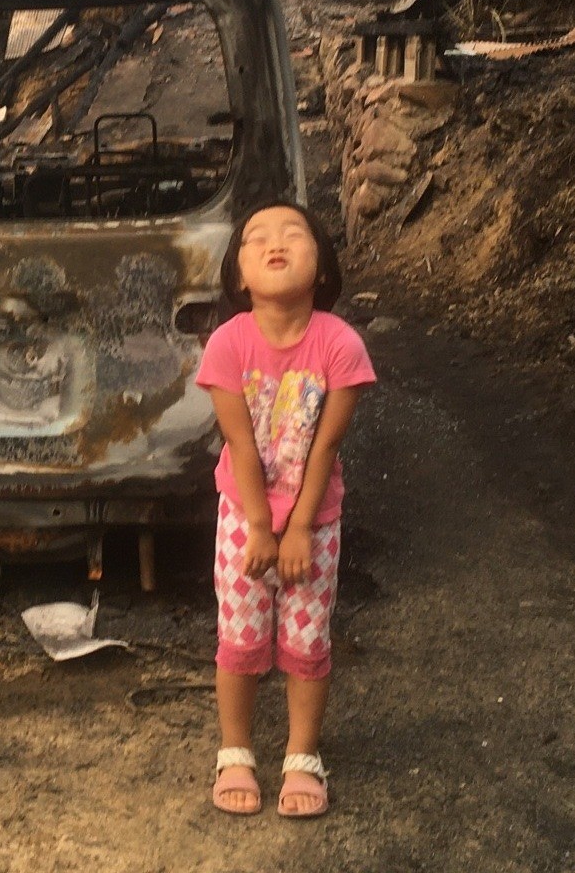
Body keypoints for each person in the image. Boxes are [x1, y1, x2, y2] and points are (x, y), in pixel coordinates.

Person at [195, 199, 375, 819]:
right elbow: (240, 444)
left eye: (294, 234)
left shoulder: (342, 346)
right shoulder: (225, 345)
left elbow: (325, 444)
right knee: (239, 641)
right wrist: (262, 528)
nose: (276, 243)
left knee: (306, 642)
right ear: (239, 274)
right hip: (243, 517)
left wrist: (297, 528)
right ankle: (235, 749)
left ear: (323, 266)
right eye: (257, 238)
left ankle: (302, 755)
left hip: (314, 523)